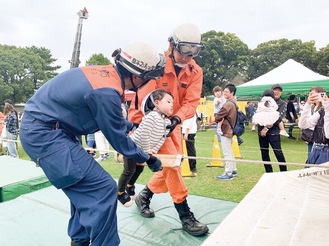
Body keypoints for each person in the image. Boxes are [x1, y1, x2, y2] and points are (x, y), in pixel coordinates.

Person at [19, 40, 166, 246]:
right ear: (136, 76)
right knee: (104, 188)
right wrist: (148, 158)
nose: (149, 83)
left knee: (83, 189)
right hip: (45, 135)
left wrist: (127, 125)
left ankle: (79, 241)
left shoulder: (103, 76)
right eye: (148, 78)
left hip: (47, 131)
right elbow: (119, 142)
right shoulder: (106, 91)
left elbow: (102, 118)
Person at [128, 23, 209, 237]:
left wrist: (176, 118)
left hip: (173, 125)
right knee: (173, 166)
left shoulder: (196, 71)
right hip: (150, 123)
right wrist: (135, 127)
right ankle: (185, 216)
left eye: (195, 50)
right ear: (172, 44)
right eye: (185, 49)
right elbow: (142, 101)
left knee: (169, 165)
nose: (188, 56)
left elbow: (191, 102)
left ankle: (144, 196)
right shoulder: (157, 64)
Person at [117, 89, 173, 207]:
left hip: (143, 150)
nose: (171, 105)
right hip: (131, 146)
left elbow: (162, 138)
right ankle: (120, 193)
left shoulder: (167, 122)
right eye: (168, 102)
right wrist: (148, 149)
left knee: (139, 169)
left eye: (172, 103)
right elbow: (144, 134)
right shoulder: (151, 116)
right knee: (129, 170)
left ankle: (130, 186)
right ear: (157, 103)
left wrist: (154, 150)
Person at [257, 84, 287, 173]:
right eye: (275, 90)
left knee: (278, 152)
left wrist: (266, 128)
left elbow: (277, 117)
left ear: (281, 93)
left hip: (273, 131)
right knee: (264, 152)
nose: (277, 92)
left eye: (279, 90)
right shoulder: (263, 101)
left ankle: (283, 172)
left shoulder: (282, 103)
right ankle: (268, 172)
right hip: (261, 130)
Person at [214, 83, 238, 180]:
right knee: (230, 151)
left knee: (227, 151)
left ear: (232, 93)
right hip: (231, 129)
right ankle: (233, 169)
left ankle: (228, 172)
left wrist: (217, 119)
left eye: (227, 92)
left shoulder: (228, 104)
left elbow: (218, 115)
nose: (225, 93)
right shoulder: (234, 103)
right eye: (224, 91)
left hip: (226, 129)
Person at [299, 87, 327, 163]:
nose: (311, 96)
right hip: (316, 143)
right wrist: (307, 104)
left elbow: (327, 134)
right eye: (310, 94)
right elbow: (302, 124)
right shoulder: (317, 109)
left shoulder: (324, 108)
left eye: (313, 94)